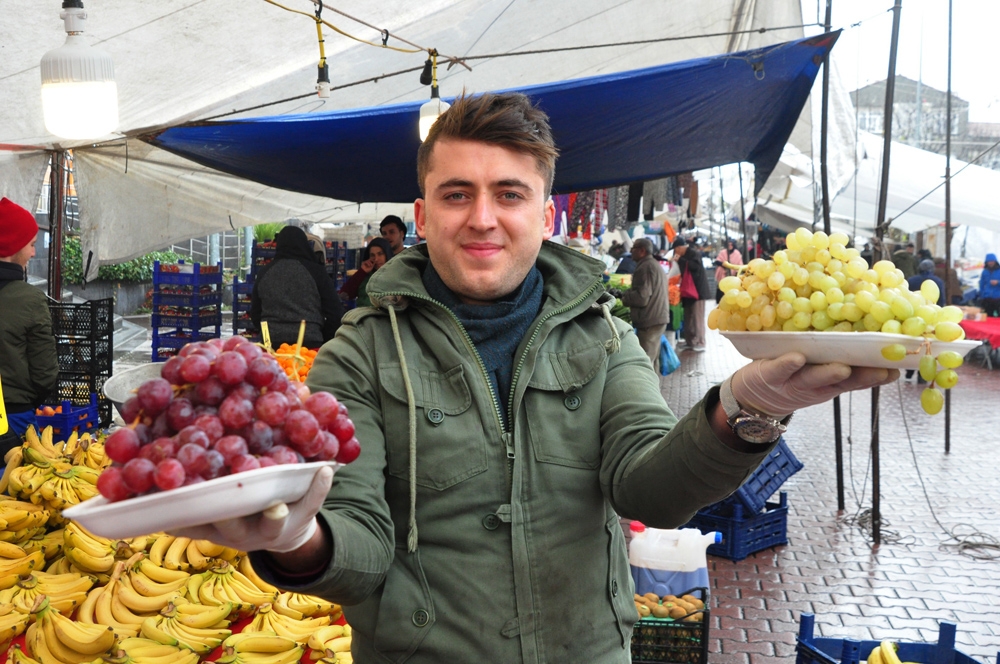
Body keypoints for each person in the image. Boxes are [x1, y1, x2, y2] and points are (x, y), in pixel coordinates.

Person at [177, 92, 897, 663]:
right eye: (457, 195)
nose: (482, 219)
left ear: (544, 211)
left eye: (509, 194)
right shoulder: (359, 354)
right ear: (424, 215)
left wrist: (747, 406)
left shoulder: (605, 337)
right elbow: (359, 549)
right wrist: (294, 536)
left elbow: (650, 489)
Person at [0, 197, 58, 456]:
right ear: (11, 247)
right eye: (32, 245)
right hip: (13, 417)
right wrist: (30, 401)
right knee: (18, 490)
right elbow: (45, 372)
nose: (34, 253)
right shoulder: (29, 299)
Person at [250, 226, 344, 349]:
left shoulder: (264, 272)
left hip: (271, 344)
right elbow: (335, 313)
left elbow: (256, 313)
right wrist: (322, 336)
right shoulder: (316, 272)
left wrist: (267, 335)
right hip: (309, 342)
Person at [620, 238, 669, 371]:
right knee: (652, 360)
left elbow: (642, 298)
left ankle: (649, 390)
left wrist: (625, 296)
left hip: (650, 320)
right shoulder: (652, 264)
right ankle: (655, 390)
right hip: (656, 317)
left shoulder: (645, 267)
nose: (631, 252)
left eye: (633, 249)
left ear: (642, 251)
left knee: (646, 362)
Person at [904, 259, 946, 384]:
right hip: (931, 320)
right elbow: (941, 301)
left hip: (912, 319)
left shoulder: (911, 280)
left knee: (912, 344)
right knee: (927, 346)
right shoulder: (938, 281)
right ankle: (922, 375)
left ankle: (909, 371)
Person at [672, 236, 711, 351]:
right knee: (688, 317)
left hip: (697, 292)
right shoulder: (683, 256)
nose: (675, 252)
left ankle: (700, 341)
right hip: (687, 292)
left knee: (697, 317)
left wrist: (680, 260)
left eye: (676, 249)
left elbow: (695, 267)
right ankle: (690, 341)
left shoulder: (694, 253)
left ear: (679, 248)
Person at [338, 237, 393, 308]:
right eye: (372, 255)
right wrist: (362, 271)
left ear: (387, 254)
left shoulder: (395, 275)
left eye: (380, 254)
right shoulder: (365, 275)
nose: (376, 259)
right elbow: (345, 295)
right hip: (363, 316)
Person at [713, 239, 742, 303]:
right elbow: (717, 261)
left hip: (732, 274)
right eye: (728, 244)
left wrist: (736, 273)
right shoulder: (723, 252)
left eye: (731, 244)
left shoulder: (737, 253)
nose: (730, 246)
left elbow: (740, 264)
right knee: (721, 286)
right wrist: (724, 265)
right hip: (723, 273)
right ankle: (719, 301)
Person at [980, 253, 1000, 317]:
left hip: (998, 298)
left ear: (995, 261)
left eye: (992, 261)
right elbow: (981, 284)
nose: (991, 263)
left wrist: (998, 282)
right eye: (989, 261)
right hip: (987, 298)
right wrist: (982, 295)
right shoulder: (984, 271)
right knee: (988, 317)